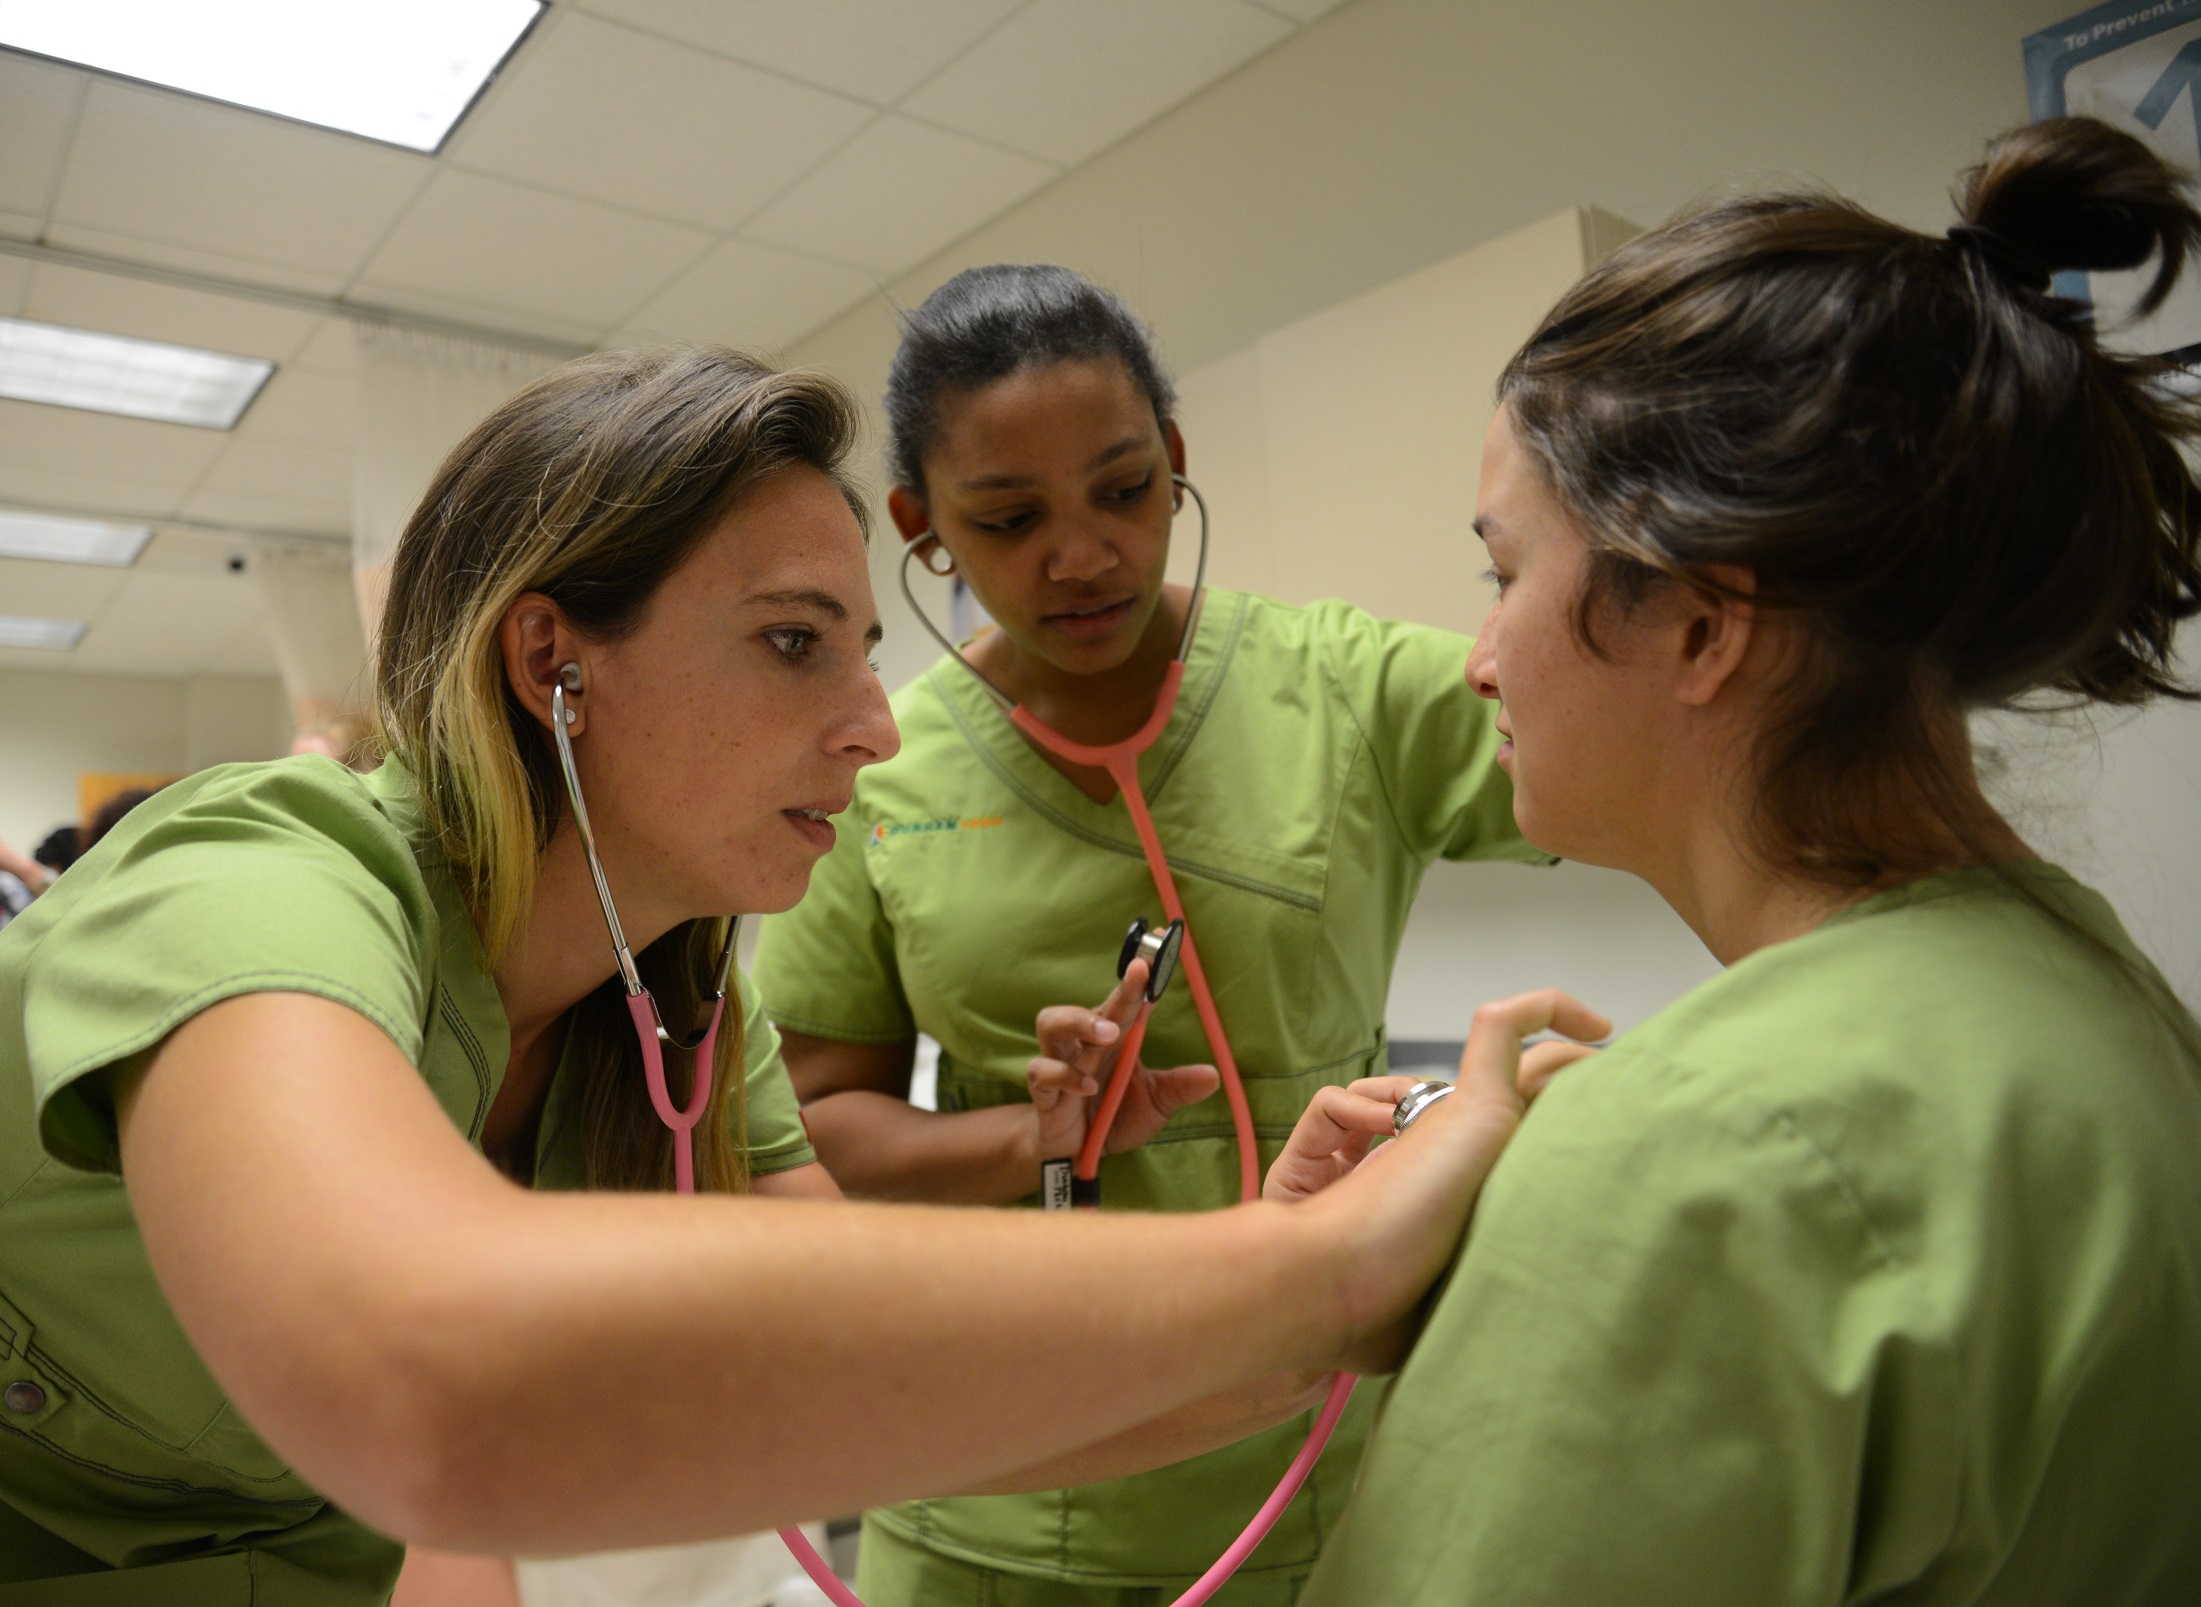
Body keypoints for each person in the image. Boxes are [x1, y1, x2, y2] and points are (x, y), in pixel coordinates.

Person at [0, 346, 1558, 1607]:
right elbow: (429, 1373)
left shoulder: (678, 1007)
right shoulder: (261, 876)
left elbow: (909, 1391)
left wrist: (1300, 1313)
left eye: (865, 649)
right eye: (796, 643)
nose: (879, 729)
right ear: (554, 665)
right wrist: (1317, 1271)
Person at [1296, 117, 2201, 1605]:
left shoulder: (1688, 1157)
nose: (1474, 662)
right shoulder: (2093, 988)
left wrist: (1614, 1198)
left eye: (1502, 574)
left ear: (1704, 626)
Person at [752, 266, 1553, 1605]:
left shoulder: (1342, 687)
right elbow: (821, 1134)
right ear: (922, 525)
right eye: (1006, 519)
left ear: (1174, 463)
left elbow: (1655, 749)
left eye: (1123, 491)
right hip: (988, 1493)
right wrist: (1032, 1134)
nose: (1081, 556)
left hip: (1315, 1464)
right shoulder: (878, 773)